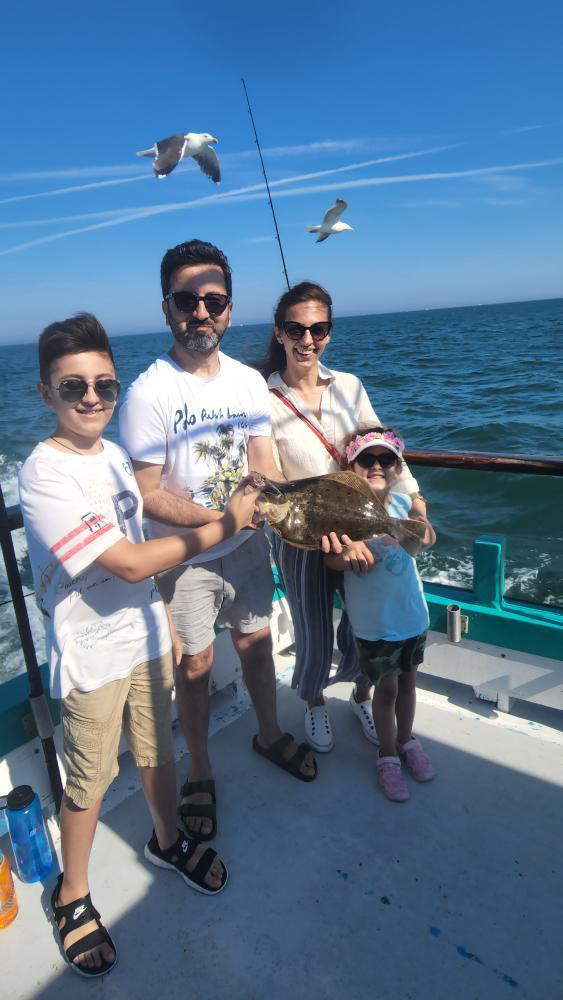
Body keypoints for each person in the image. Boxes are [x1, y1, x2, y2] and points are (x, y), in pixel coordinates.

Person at [19, 313, 260, 978]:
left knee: (158, 753)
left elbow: (151, 525)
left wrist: (229, 507)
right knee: (88, 781)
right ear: (45, 393)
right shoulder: (43, 474)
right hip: (90, 655)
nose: (91, 398)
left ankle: (165, 841)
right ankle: (72, 893)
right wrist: (227, 524)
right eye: (73, 387)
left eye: (103, 384)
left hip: (144, 635)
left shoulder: (118, 459)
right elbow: (126, 561)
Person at [119, 240, 317, 844]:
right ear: (166, 308)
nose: (200, 312)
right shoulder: (147, 393)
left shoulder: (249, 384)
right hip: (184, 560)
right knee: (197, 663)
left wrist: (291, 506)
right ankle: (199, 769)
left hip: (249, 544)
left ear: (229, 308)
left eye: (213, 300)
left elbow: (263, 461)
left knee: (257, 642)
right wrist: (219, 521)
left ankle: (266, 731)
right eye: (187, 300)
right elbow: (147, 491)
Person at [262, 281, 427, 753]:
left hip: (361, 526)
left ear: (330, 333)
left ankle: (361, 692)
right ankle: (314, 703)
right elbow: (268, 468)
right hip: (301, 534)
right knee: (311, 628)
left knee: (362, 623)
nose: (307, 339)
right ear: (279, 333)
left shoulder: (349, 385)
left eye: (318, 328)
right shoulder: (263, 397)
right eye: (296, 328)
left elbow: (381, 445)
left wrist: (415, 500)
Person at [324, 427, 436, 802]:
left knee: (409, 683)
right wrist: (347, 554)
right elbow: (330, 559)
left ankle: (407, 741)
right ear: (350, 467)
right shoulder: (344, 514)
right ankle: (387, 754)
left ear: (398, 467)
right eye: (366, 460)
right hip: (375, 622)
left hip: (412, 615)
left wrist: (423, 529)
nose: (377, 466)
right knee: (385, 689)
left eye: (386, 459)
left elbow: (425, 540)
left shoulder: (405, 506)